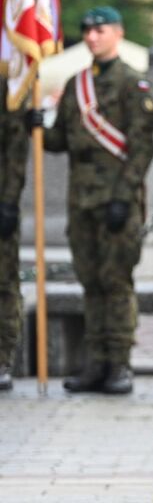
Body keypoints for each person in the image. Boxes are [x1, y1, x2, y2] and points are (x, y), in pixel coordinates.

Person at [40, 7, 153, 394]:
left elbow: (140, 148)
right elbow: (63, 141)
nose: (92, 37)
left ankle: (120, 363)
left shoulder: (131, 83)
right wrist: (39, 124)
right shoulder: (76, 84)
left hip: (116, 200)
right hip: (82, 200)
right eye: (87, 30)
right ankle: (95, 363)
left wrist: (124, 197)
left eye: (100, 30)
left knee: (116, 282)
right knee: (90, 283)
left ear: (117, 33)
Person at [0, 78, 29, 390]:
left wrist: (8, 200)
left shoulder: (8, 86)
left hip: (0, 202)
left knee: (4, 282)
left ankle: (2, 356)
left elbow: (15, 149)